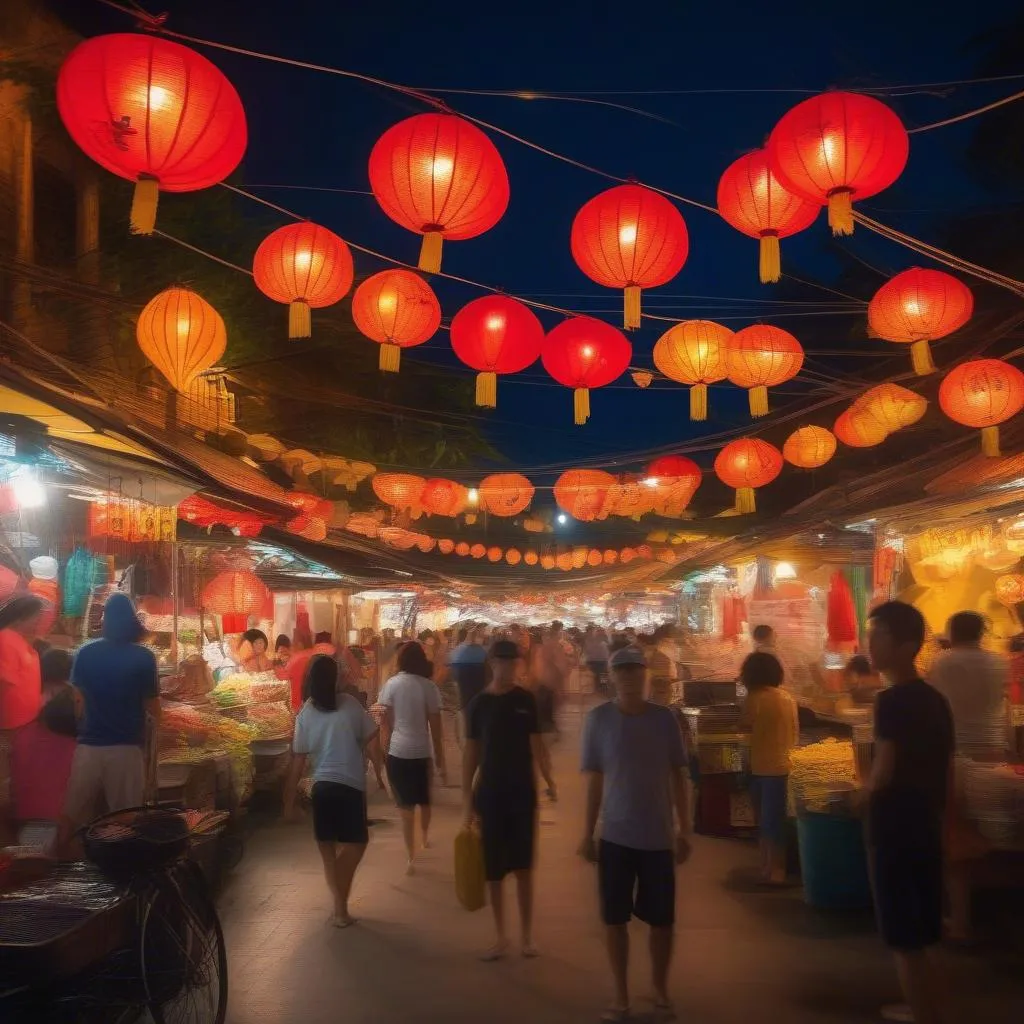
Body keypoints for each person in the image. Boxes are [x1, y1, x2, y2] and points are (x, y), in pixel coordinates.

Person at [579, 646, 691, 1022]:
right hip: (615, 835)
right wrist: (586, 832)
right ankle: (621, 993)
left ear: (646, 675)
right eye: (621, 670)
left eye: (634, 670)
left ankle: (660, 987)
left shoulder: (664, 720)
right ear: (611, 676)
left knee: (662, 922)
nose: (628, 676)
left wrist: (684, 828)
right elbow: (594, 780)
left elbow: (679, 775)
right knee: (615, 921)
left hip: (658, 836)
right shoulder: (598, 720)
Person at [865, 601, 956, 1024]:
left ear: (904, 646)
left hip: (895, 826)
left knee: (904, 934)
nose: (870, 643)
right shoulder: (937, 700)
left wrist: (857, 797)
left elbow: (882, 771)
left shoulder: (891, 701)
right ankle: (932, 1007)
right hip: (928, 823)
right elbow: (947, 767)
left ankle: (922, 1014)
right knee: (928, 928)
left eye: (878, 635)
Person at [462, 639, 556, 961]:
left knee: (524, 867)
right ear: (492, 663)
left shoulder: (526, 700)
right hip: (489, 794)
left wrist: (549, 778)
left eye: (513, 662)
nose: (508, 667)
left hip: (522, 792)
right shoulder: (478, 705)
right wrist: (466, 804)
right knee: (494, 870)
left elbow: (537, 744)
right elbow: (470, 756)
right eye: (502, 661)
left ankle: (527, 936)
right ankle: (501, 936)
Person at [57, 593, 161, 854]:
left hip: (88, 745)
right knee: (124, 813)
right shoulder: (143, 657)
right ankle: (121, 863)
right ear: (133, 620)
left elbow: (77, 700)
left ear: (105, 619)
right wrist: (162, 726)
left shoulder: (85, 652)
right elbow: (153, 707)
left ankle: (54, 858)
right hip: (125, 747)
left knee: (73, 811)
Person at [284, 654, 381, 928]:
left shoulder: (306, 713)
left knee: (328, 851)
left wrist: (288, 801)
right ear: (335, 678)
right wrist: (356, 746)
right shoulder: (350, 705)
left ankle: (340, 910)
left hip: (322, 789)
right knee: (356, 844)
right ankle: (340, 909)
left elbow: (297, 761)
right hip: (350, 785)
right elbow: (372, 734)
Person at [378, 641, 446, 874]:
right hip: (421, 752)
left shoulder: (391, 685)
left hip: (398, 752)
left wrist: (383, 750)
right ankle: (425, 838)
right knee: (424, 800)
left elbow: (384, 723)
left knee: (405, 809)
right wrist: (441, 761)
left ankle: (410, 856)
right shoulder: (429, 687)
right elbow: (436, 730)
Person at [738, 651, 797, 884]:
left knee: (765, 823)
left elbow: (744, 728)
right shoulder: (787, 697)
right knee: (775, 822)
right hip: (784, 766)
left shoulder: (754, 698)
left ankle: (771, 870)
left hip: (761, 768)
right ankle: (773, 868)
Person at [929, 612, 1008, 761]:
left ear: (952, 633)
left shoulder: (942, 661)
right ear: (980, 633)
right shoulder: (997, 662)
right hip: (993, 745)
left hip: (956, 748)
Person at [448, 625, 488, 723]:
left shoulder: (456, 652)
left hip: (464, 697)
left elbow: (453, 674)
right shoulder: (482, 651)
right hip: (478, 696)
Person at [583, 626, 611, 698]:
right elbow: (588, 651)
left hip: (597, 661)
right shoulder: (594, 641)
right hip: (596, 661)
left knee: (601, 674)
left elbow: (587, 651)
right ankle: (601, 689)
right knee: (601, 674)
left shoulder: (601, 641)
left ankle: (601, 689)